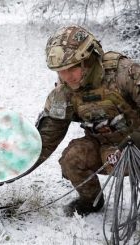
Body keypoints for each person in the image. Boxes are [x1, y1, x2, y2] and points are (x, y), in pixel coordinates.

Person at [34, 25, 140, 216]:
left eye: (71, 68)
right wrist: (11, 169)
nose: (66, 77)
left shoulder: (125, 74)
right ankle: (91, 201)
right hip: (104, 148)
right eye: (60, 71)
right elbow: (46, 138)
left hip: (136, 147)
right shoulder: (64, 92)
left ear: (88, 60)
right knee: (71, 159)